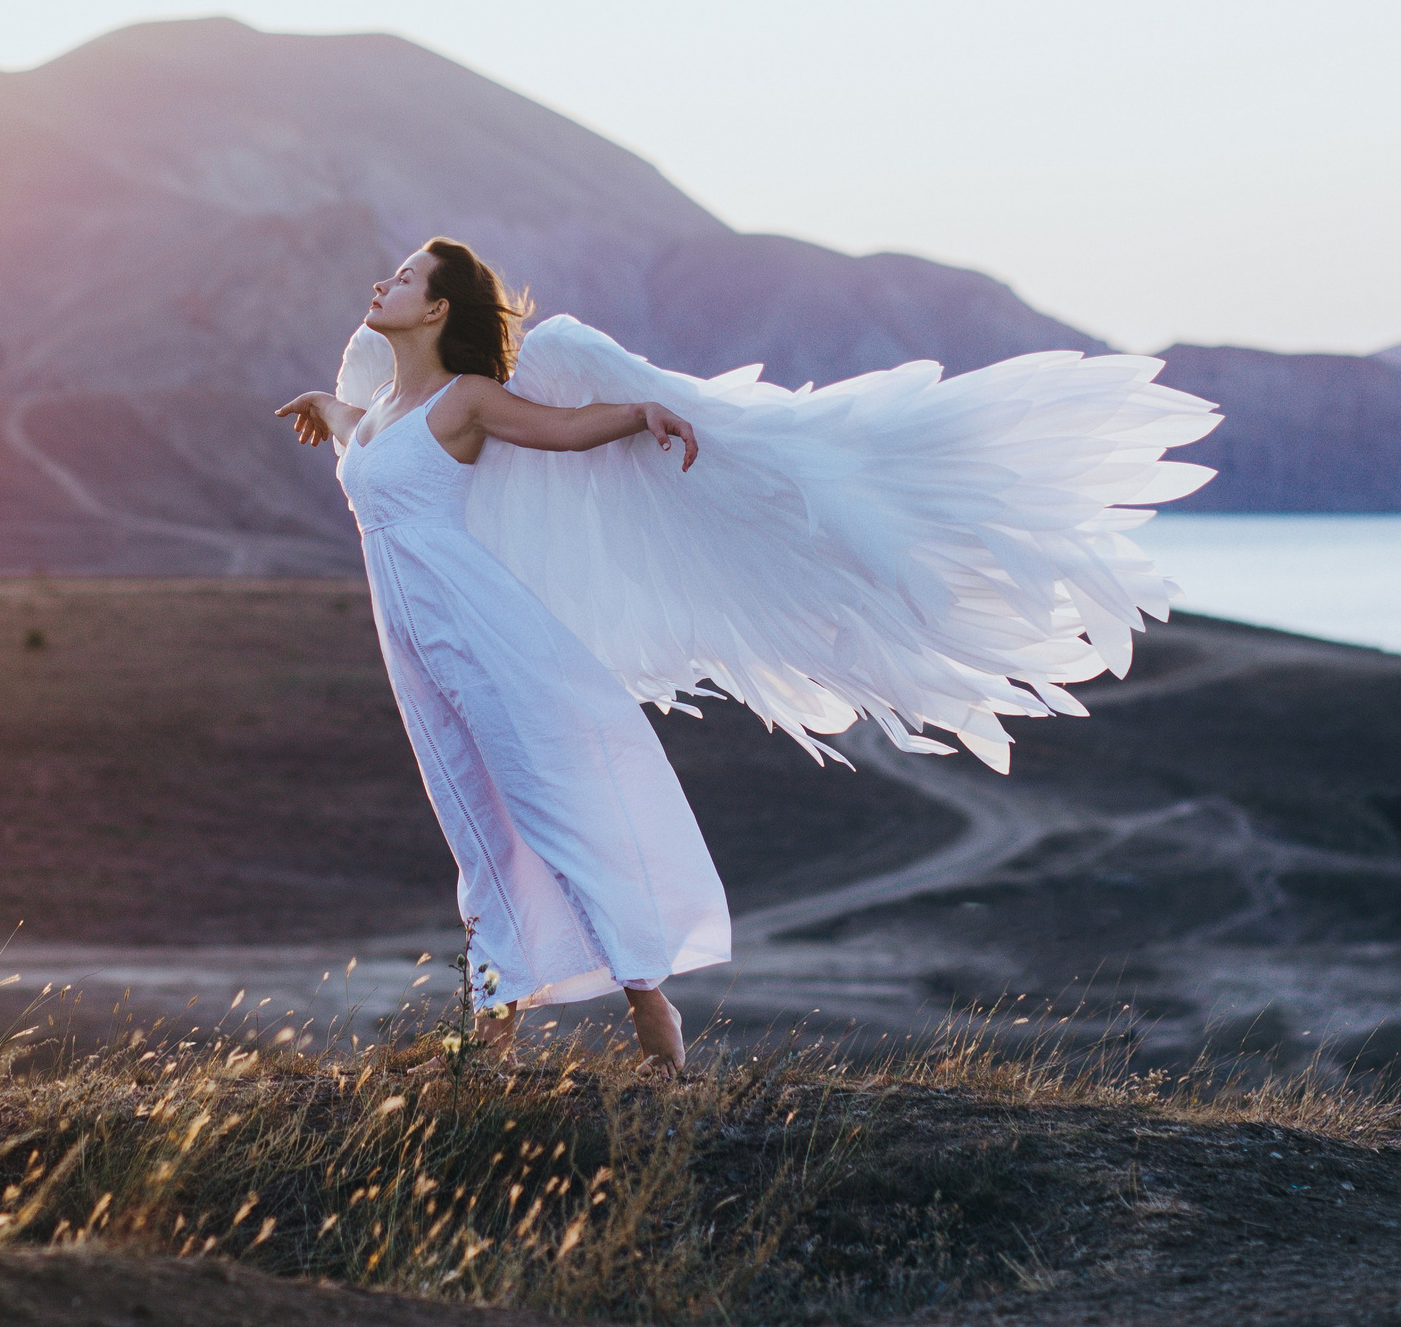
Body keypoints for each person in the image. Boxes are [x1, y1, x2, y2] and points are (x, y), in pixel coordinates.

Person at [276, 237, 1218, 1074]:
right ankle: (492, 1032)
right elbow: (362, 437)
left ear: (437, 308)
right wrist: (328, 403)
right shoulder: (384, 407)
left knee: (545, 808)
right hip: (414, 648)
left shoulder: (466, 400)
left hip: (481, 634)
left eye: (404, 277)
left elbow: (561, 429)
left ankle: (649, 1000)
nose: (382, 282)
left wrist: (640, 411)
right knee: (474, 823)